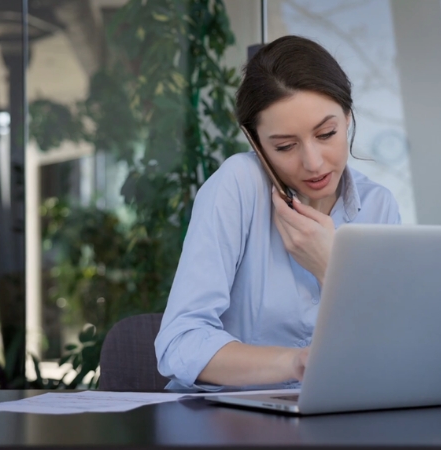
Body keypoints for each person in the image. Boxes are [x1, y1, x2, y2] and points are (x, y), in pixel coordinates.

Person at [154, 35, 401, 390]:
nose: (313, 163)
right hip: (224, 424)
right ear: (255, 142)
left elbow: (391, 350)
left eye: (327, 133)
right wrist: (295, 362)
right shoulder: (237, 186)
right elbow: (179, 344)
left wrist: (332, 268)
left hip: (332, 420)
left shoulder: (378, 206)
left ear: (347, 118)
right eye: (285, 146)